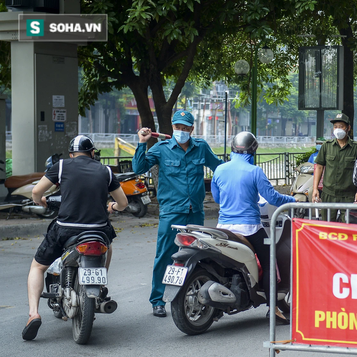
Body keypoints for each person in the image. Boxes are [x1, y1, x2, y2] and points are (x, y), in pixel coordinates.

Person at [22, 135, 128, 341]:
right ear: (93, 153)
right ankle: (100, 283)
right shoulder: (105, 171)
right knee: (109, 246)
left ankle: (33, 313)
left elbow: (36, 191)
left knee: (37, 266)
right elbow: (122, 203)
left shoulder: (61, 166)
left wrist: (41, 201)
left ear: (71, 154)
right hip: (98, 230)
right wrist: (112, 207)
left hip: (66, 230)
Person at [133, 110, 222, 317]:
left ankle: (197, 294)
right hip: (171, 212)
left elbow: (218, 168)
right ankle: (157, 300)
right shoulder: (161, 149)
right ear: (172, 128)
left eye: (185, 128)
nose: (181, 131)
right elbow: (139, 167)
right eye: (177, 128)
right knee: (164, 255)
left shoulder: (201, 148)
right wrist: (142, 142)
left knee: (198, 255)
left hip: (195, 212)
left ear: (192, 129)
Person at [211, 132, 296, 324]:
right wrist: (292, 200)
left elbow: (217, 199)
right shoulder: (255, 171)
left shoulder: (219, 170)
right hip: (248, 227)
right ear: (252, 151)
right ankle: (273, 309)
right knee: (269, 264)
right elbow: (273, 199)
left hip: (223, 227)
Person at [311, 113, 357, 222]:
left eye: (341, 126)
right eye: (335, 127)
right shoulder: (327, 146)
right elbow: (319, 167)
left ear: (348, 128)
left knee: (347, 226)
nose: (338, 129)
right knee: (328, 225)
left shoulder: (356, 148)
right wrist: (315, 189)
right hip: (329, 193)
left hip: (348, 195)